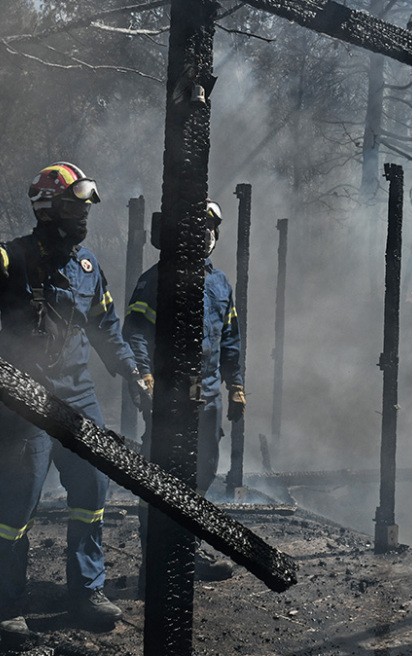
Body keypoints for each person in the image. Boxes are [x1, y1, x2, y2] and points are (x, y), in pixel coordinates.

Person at [0, 162, 147, 633]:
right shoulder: (14, 257)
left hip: (78, 394)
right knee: (19, 499)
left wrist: (135, 374)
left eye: (84, 209)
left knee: (92, 489)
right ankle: (3, 604)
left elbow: (105, 328)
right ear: (48, 208)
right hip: (25, 393)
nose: (82, 217)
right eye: (74, 207)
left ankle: (86, 593)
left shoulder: (87, 265)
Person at [123, 199, 245, 581]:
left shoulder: (220, 283)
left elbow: (229, 339)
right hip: (167, 395)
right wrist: (144, 376)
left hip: (206, 396)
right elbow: (136, 334)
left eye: (210, 227)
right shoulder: (154, 279)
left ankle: (187, 552)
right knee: (159, 476)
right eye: (198, 227)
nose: (205, 234)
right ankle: (153, 562)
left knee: (203, 472)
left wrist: (236, 384)